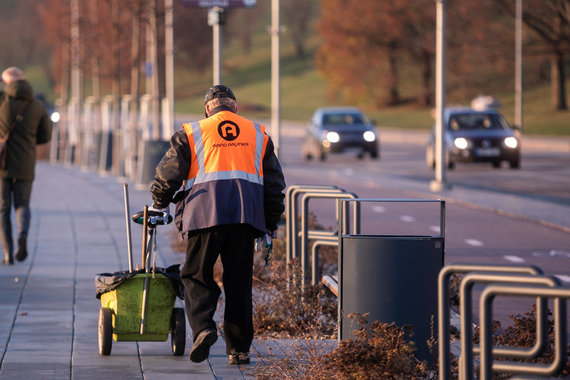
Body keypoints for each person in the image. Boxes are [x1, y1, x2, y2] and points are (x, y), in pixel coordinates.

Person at [150, 85, 286, 365]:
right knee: (238, 283)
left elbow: (169, 173)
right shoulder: (258, 134)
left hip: (204, 215)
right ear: (235, 108)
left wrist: (158, 203)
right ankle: (239, 349)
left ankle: (203, 329)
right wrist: (270, 222)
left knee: (196, 275)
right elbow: (274, 185)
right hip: (245, 217)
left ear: (207, 109)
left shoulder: (191, 132)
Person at [0, 67, 51, 265]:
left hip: (2, 163)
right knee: (22, 205)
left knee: (3, 208)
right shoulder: (36, 105)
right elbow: (45, 136)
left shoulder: (2, 101)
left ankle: (7, 253)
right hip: (26, 162)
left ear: (7, 82)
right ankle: (23, 236)